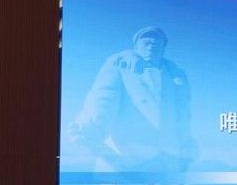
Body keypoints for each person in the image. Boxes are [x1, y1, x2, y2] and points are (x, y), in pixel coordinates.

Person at [68, 26, 198, 172]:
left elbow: (183, 116)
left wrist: (186, 147)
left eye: (156, 44)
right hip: (125, 160)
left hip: (168, 162)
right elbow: (103, 98)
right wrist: (90, 128)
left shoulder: (175, 76)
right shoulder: (121, 65)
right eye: (146, 43)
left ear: (163, 49)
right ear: (136, 46)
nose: (151, 47)